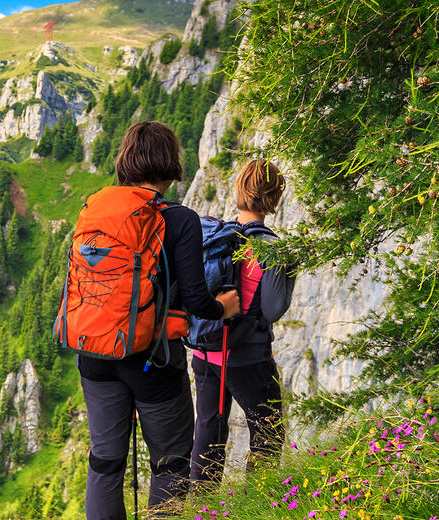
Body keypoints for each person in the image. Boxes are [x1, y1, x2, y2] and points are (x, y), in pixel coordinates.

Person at [78, 121, 240, 520]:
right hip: (155, 359)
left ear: (126, 161)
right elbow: (198, 299)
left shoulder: (96, 206)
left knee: (105, 460)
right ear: (170, 163)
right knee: (170, 462)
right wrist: (225, 308)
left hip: (96, 354)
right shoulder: (179, 219)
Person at [189, 159, 296, 485]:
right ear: (275, 197)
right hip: (248, 356)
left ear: (240, 190)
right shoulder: (273, 247)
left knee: (208, 433)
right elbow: (273, 309)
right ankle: (257, 505)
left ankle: (199, 507)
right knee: (267, 432)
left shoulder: (216, 236)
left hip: (205, 352)